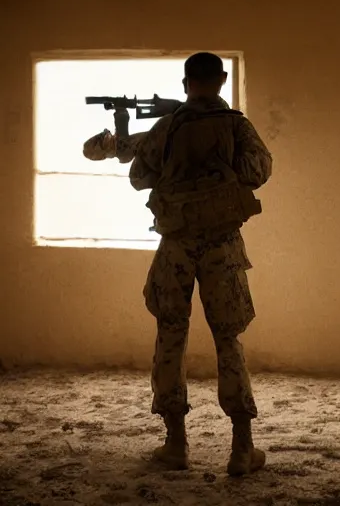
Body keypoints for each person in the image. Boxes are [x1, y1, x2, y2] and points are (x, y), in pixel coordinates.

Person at [84, 52, 272, 476]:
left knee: (171, 336)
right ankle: (242, 448)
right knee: (229, 342)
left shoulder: (167, 128)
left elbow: (139, 178)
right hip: (223, 247)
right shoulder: (237, 125)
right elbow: (258, 171)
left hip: (175, 249)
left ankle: (176, 444)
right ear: (221, 80)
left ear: (186, 83)